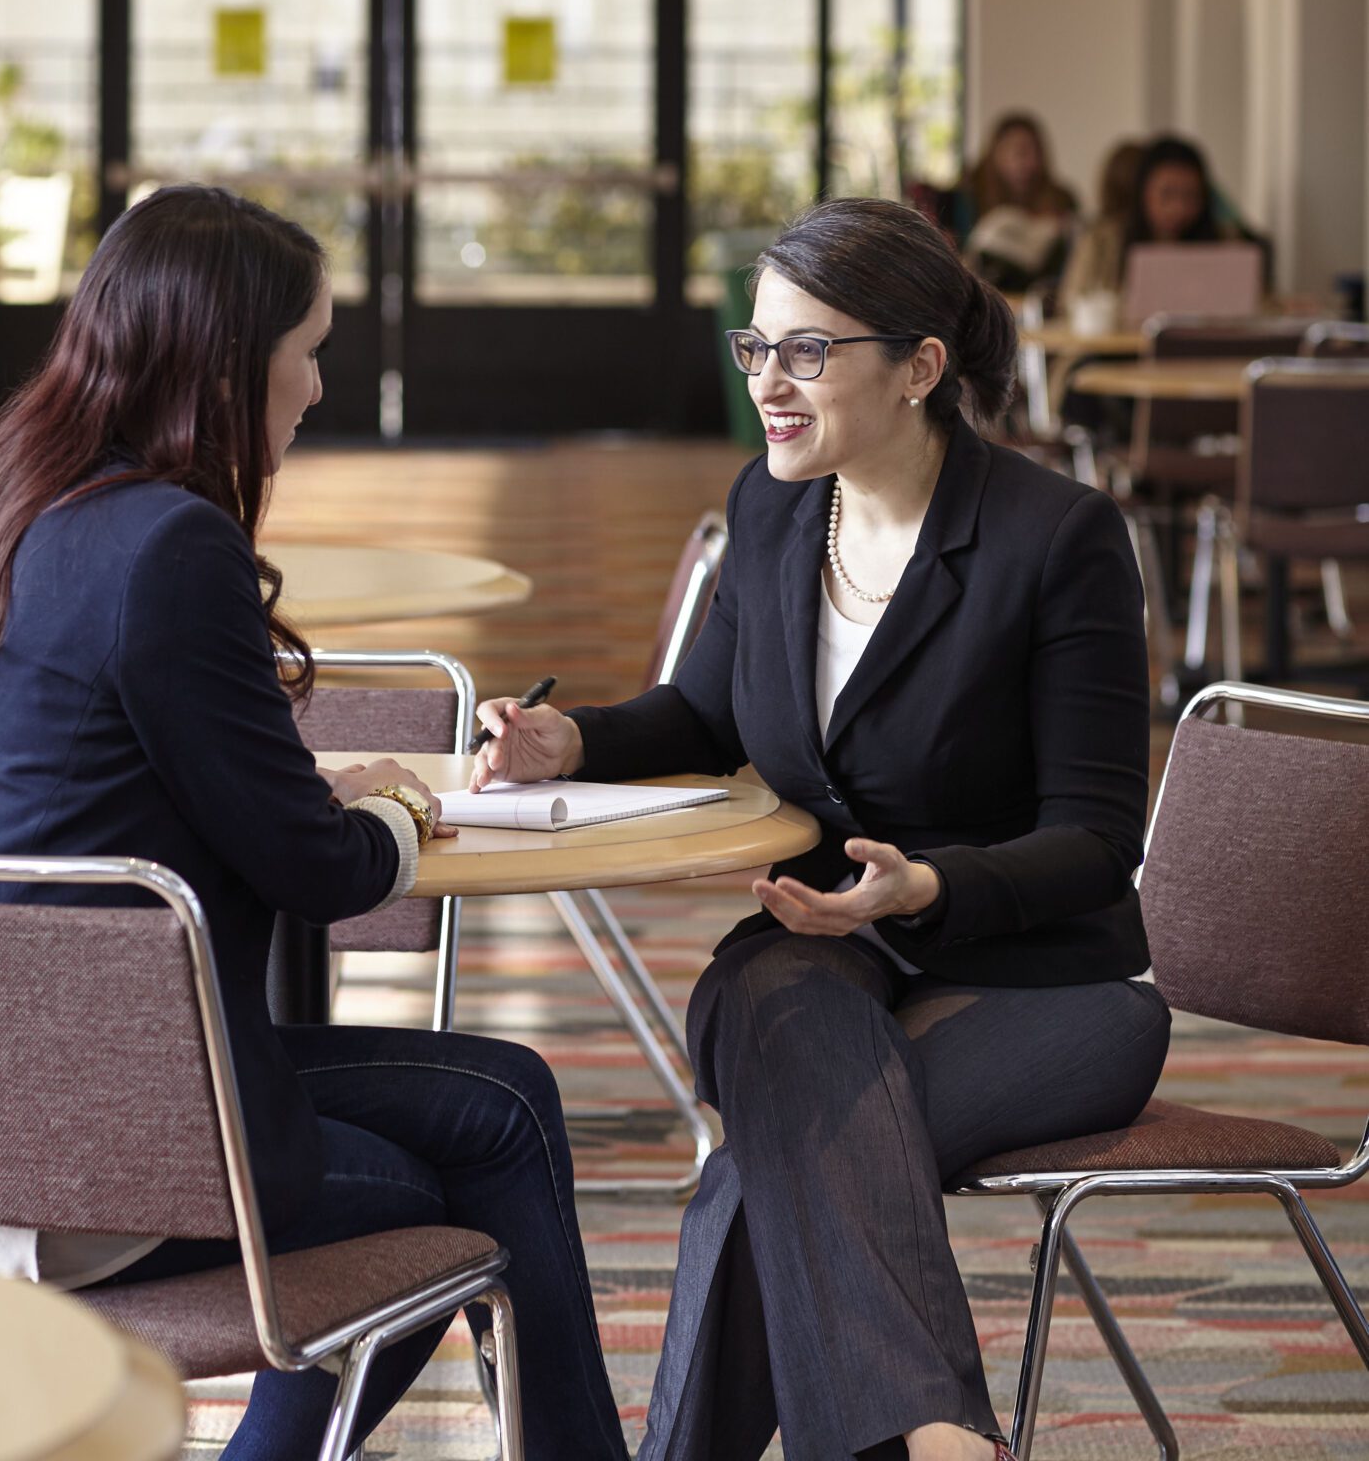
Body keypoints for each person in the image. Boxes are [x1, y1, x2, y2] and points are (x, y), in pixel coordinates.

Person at [0, 186, 628, 1461]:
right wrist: (399, 799)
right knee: (467, 1183)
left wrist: (312, 803)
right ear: (232, 363)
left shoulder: (8, 508)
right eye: (310, 352)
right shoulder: (170, 548)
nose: (317, 389)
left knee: (506, 1089)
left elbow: (165, 786)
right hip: (117, 1145)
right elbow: (321, 869)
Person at [473, 197, 1168, 1461]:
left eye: (807, 351)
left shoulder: (1053, 539)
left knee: (758, 1180)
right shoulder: (778, 507)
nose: (769, 385)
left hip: (1045, 983)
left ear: (919, 367)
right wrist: (574, 742)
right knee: (778, 1014)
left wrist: (926, 888)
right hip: (817, 956)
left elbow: (1097, 836)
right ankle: (939, 1440)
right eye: (757, 348)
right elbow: (704, 709)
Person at [1058, 130, 1242, 311]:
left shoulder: (1225, 241)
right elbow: (1070, 305)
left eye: (1191, 196)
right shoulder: (1102, 241)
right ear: (1143, 192)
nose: (1178, 208)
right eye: (1167, 194)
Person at [952, 112, 1078, 295]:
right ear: (997, 153)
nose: (1031, 162)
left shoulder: (1062, 200)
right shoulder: (967, 198)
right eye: (1021, 152)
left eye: (1037, 153)